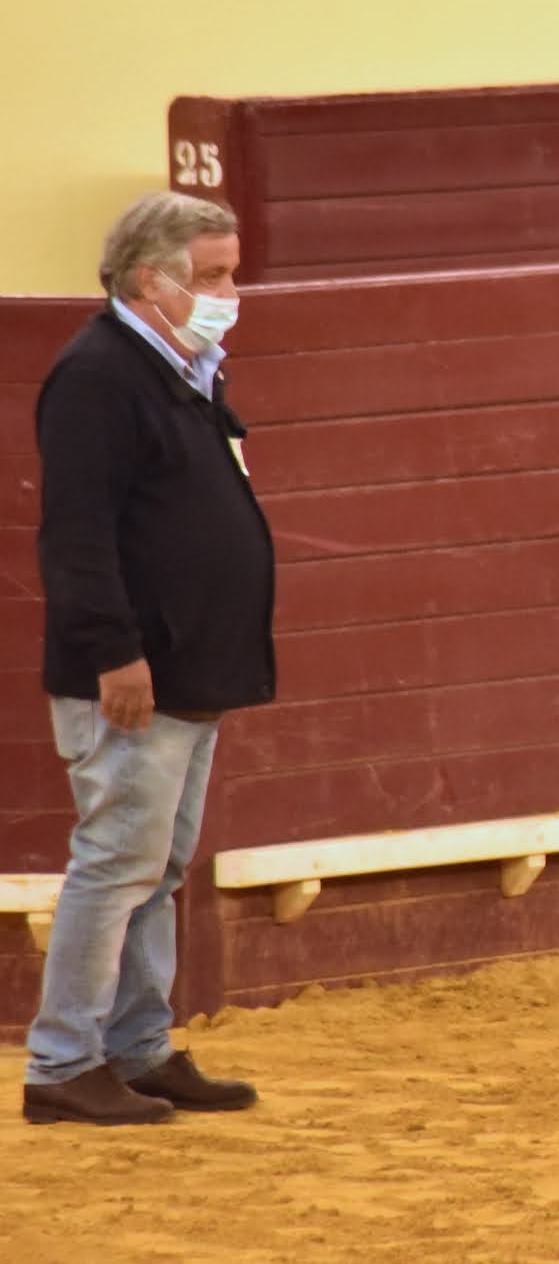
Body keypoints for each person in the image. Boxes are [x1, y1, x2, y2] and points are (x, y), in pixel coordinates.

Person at [23, 193, 272, 1126]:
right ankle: (62, 1061)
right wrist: (116, 652)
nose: (228, 292)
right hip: (136, 674)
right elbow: (77, 534)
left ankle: (137, 1047)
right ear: (147, 278)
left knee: (157, 866)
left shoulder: (183, 370)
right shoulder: (99, 376)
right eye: (210, 275)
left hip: (186, 667)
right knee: (118, 863)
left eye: (230, 271)